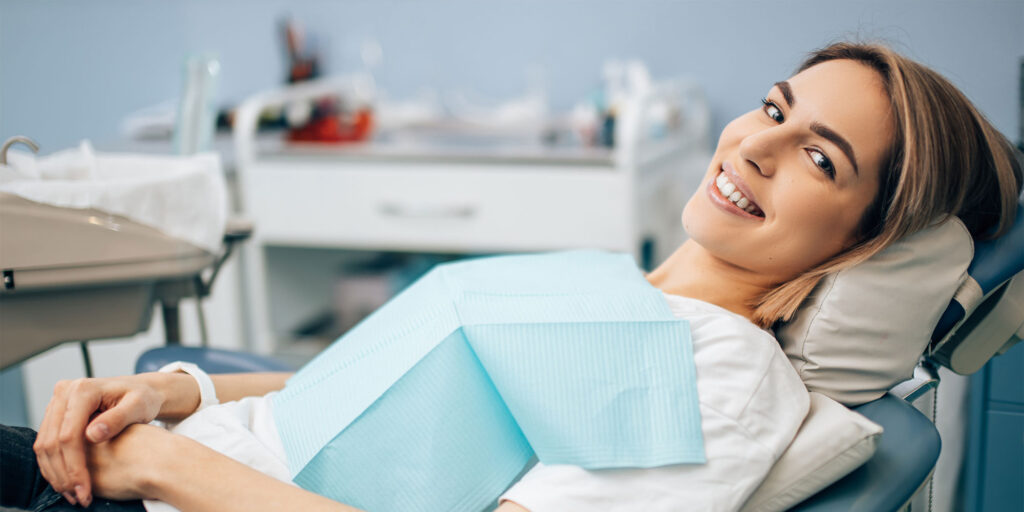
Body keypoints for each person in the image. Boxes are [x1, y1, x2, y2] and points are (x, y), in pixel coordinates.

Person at [3, 42, 1021, 512]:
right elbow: (393, 386)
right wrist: (171, 391)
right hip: (152, 454)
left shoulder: (718, 372)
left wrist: (158, 466)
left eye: (820, 158)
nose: (756, 144)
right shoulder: (630, 295)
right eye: (772, 106)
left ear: (860, 247)